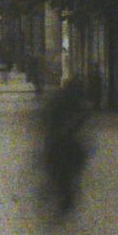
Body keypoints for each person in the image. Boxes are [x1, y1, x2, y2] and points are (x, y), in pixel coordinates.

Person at [38, 78, 92, 218]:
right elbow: (82, 122)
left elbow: (45, 118)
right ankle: (64, 197)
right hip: (68, 145)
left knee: (57, 172)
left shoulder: (57, 100)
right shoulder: (79, 104)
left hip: (56, 144)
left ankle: (55, 192)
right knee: (69, 174)